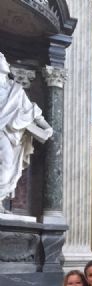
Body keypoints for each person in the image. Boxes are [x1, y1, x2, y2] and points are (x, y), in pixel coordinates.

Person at [0, 52, 53, 208]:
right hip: (2, 131)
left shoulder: (15, 89)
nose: (6, 62)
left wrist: (46, 127)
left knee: (10, 168)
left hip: (12, 135)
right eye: (2, 59)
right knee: (7, 163)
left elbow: (32, 111)